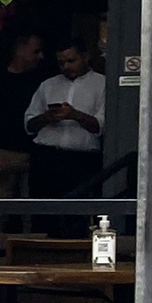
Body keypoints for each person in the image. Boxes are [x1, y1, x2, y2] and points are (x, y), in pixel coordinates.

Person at [25, 40, 106, 198]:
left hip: (82, 160)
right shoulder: (47, 85)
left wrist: (75, 115)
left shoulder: (102, 84)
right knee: (42, 214)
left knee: (77, 216)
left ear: (86, 57)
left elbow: (100, 127)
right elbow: (29, 125)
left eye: (71, 61)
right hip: (46, 158)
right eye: (61, 63)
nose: (66, 67)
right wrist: (46, 117)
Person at [0, 32, 47, 197]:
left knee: (33, 213)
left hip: (33, 155)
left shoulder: (40, 81)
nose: (41, 56)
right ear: (20, 50)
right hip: (3, 154)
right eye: (35, 51)